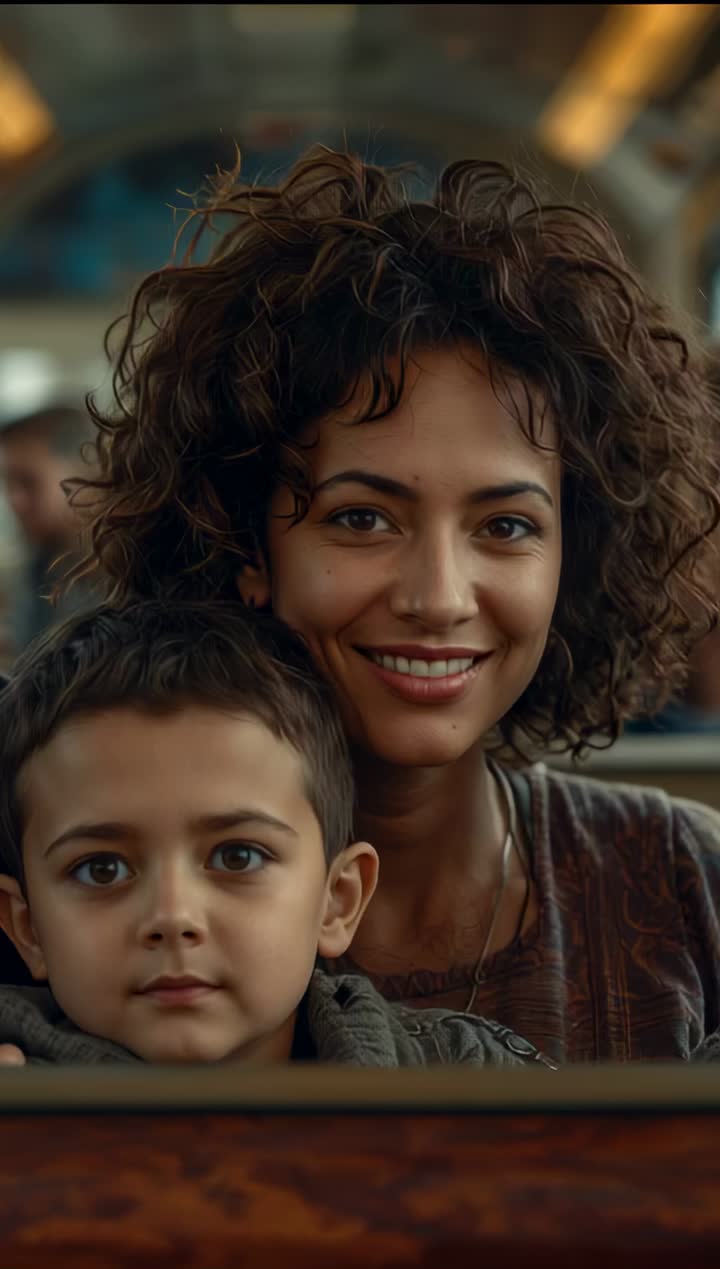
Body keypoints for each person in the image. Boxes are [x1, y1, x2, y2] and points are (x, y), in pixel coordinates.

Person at [5, 146, 720, 1066]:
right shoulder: (37, 856)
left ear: (572, 558)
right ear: (245, 543)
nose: (438, 597)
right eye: (363, 517)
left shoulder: (684, 888)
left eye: (505, 527)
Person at [0, 599, 550, 1068]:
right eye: (102, 869)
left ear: (338, 900)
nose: (172, 917)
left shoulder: (473, 1086)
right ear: (27, 928)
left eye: (238, 857)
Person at [0, 401, 99, 654]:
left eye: (28, 482)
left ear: (84, 474)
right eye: (8, 483)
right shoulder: (41, 564)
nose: (15, 501)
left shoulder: (128, 573)